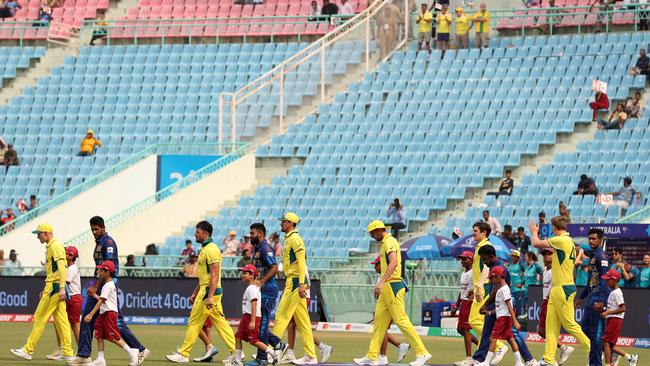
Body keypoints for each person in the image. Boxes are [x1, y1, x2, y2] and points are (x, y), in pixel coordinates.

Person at [68, 216, 149, 365]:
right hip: (99, 283)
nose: (94, 232)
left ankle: (139, 349)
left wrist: (95, 285)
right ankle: (85, 355)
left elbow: (108, 268)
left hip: (107, 285)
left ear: (103, 227)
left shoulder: (108, 243)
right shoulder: (99, 243)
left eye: (97, 229)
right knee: (89, 319)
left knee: (113, 321)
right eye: (92, 229)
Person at [353, 220, 431, 366]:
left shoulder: (389, 241)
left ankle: (423, 353)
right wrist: (382, 284)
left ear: (377, 231)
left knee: (402, 321)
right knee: (379, 323)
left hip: (392, 285)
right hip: (387, 287)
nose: (371, 237)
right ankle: (372, 356)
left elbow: (393, 262)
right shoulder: (386, 242)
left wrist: (381, 282)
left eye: (372, 234)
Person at [166, 221, 236, 363]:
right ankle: (236, 352)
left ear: (205, 233)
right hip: (208, 290)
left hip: (209, 292)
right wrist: (194, 293)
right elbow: (205, 277)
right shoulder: (206, 249)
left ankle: (184, 354)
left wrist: (209, 296)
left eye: (197, 232)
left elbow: (214, 275)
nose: (194, 234)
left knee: (194, 321)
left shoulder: (211, 249)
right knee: (220, 322)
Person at [529, 216, 590, 366]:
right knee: (551, 326)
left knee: (569, 324)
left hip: (564, 287)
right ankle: (549, 359)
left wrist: (534, 232)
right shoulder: (567, 242)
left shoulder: (561, 240)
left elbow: (536, 243)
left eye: (552, 228)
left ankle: (594, 349)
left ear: (554, 228)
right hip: (557, 288)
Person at [9, 224, 74, 362]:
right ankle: (68, 352)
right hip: (55, 286)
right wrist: (60, 287)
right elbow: (59, 268)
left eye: (38, 234)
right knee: (61, 320)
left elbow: (62, 267)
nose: (37, 236)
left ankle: (28, 350)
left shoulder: (54, 246)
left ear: (46, 233)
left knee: (40, 317)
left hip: (54, 287)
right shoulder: (53, 246)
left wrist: (62, 287)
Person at [471, 245, 537, 366]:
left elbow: (496, 289)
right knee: (491, 332)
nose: (484, 263)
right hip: (497, 304)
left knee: (509, 334)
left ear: (491, 256)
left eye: (485, 259)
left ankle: (529, 359)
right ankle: (479, 359)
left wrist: (486, 304)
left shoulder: (498, 268)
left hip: (501, 306)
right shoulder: (495, 266)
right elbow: (492, 288)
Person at [272, 213, 318, 365]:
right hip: (293, 281)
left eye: (283, 222)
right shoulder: (289, 238)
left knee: (281, 316)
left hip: (295, 281)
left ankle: (271, 352)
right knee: (303, 322)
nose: (281, 224)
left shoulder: (295, 239)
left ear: (290, 223)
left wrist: (301, 283)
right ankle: (311, 356)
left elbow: (301, 261)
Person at [82, 261, 140, 366]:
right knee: (99, 335)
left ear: (107, 272)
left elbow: (101, 301)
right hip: (104, 313)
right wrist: (94, 295)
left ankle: (132, 351)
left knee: (112, 336)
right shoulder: (107, 284)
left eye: (101, 270)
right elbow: (102, 299)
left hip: (109, 313)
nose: (98, 271)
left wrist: (90, 315)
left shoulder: (108, 285)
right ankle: (100, 359)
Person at [467, 222, 507, 365]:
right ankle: (480, 357)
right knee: (481, 323)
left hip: (483, 287)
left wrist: (478, 287)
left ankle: (499, 347)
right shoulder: (480, 245)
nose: (474, 233)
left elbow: (485, 268)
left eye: (476, 231)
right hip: (481, 286)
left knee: (474, 321)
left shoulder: (484, 246)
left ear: (484, 233)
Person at [249, 223, 286, 366]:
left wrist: (262, 281)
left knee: (262, 325)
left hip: (268, 292)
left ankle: (262, 358)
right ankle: (278, 343)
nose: (250, 236)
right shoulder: (257, 249)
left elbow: (274, 267)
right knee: (260, 325)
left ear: (260, 233)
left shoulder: (265, 248)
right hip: (261, 292)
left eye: (252, 233)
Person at [280, 267, 334, 364]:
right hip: (296, 296)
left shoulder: (301, 264)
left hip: (302, 297)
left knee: (302, 326)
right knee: (291, 324)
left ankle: (323, 347)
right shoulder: (293, 264)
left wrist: (299, 289)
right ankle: (290, 353)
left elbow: (308, 283)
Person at [475, 266, 525, 366]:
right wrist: (489, 313)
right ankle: (519, 362)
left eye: (492, 278)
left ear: (497, 277)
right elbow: (500, 307)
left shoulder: (504, 289)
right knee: (510, 339)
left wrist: (515, 320)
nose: (490, 280)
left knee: (493, 338)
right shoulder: (500, 289)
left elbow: (509, 305)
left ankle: (486, 362)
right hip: (504, 317)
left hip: (503, 318)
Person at [574, 229, 609, 366]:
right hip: (591, 298)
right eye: (589, 238)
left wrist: (602, 301)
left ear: (600, 240)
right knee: (584, 329)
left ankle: (596, 363)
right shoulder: (593, 256)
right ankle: (599, 350)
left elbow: (605, 280)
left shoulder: (602, 256)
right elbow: (591, 280)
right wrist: (582, 296)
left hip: (599, 300)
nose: (591, 241)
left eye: (594, 239)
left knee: (595, 335)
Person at [231, 264, 278, 366]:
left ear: (252, 275)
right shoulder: (252, 287)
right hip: (247, 317)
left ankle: (273, 354)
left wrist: (252, 321)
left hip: (252, 317)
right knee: (238, 337)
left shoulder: (252, 288)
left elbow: (254, 304)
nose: (243, 275)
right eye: (243, 273)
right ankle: (237, 361)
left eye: (245, 273)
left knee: (254, 341)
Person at [367, 256, 411, 365]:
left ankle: (383, 356)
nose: (374, 267)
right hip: (384, 307)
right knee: (381, 331)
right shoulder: (381, 277)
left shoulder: (391, 276)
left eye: (376, 265)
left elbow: (401, 289)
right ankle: (400, 346)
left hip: (390, 307)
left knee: (382, 331)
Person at [538, 248, 575, 364]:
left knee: (545, 331)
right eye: (544, 255)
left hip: (551, 301)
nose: (546, 257)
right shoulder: (545, 270)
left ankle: (550, 357)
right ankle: (560, 351)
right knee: (543, 331)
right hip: (546, 301)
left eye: (549, 254)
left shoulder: (555, 270)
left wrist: (548, 300)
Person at [47, 246, 84, 361]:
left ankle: (82, 352)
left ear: (72, 256)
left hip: (73, 298)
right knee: (58, 322)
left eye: (67, 254)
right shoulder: (67, 266)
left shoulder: (72, 268)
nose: (65, 255)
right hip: (67, 297)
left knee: (75, 325)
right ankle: (62, 349)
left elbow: (64, 283)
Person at [600, 269, 639, 366]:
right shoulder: (614, 292)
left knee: (606, 342)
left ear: (614, 280)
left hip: (615, 319)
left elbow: (623, 308)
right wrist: (604, 309)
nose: (606, 281)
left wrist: (608, 312)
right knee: (610, 345)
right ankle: (630, 358)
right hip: (612, 319)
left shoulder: (617, 292)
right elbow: (614, 306)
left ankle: (608, 364)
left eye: (608, 280)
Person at [452, 251, 479, 366]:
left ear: (472, 260)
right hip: (464, 302)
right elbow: (462, 291)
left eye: (465, 259)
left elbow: (477, 288)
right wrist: (456, 305)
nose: (462, 261)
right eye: (461, 259)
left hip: (470, 303)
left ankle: (469, 358)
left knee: (465, 329)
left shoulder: (474, 273)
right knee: (460, 329)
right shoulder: (464, 273)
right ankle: (481, 345)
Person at [508, 251, 525, 319]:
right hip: (510, 290)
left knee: (518, 307)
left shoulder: (521, 265)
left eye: (514, 256)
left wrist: (521, 283)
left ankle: (519, 322)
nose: (512, 258)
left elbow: (526, 274)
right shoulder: (510, 265)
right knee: (511, 307)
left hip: (518, 290)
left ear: (518, 258)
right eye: (512, 256)